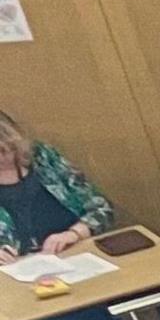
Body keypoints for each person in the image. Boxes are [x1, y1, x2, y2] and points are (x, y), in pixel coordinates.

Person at [0, 109, 114, 261]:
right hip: (15, 272)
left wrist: (74, 234)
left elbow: (102, 209)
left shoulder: (43, 158)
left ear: (16, 142)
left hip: (75, 256)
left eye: (4, 151)